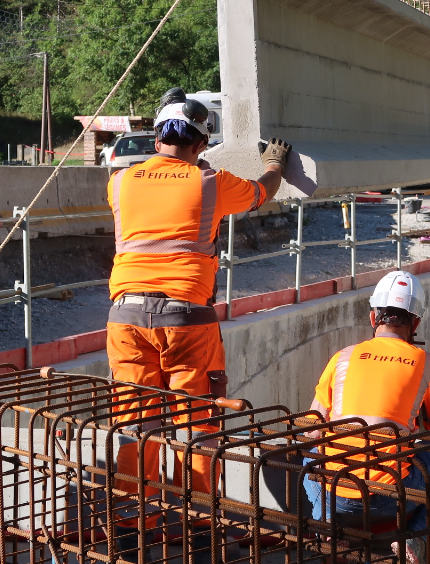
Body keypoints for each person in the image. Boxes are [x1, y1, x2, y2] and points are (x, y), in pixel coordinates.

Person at [106, 86, 291, 563]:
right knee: (195, 424)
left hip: (125, 316)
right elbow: (260, 194)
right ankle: (203, 527)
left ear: (156, 136)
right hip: (186, 317)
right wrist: (273, 164)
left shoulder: (120, 182)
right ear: (202, 142)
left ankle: (130, 530)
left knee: (134, 420)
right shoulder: (210, 182)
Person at [305, 271, 430, 564]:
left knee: (309, 454)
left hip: (337, 493)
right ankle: (414, 534)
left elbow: (313, 428)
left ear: (373, 317)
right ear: (415, 322)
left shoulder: (343, 356)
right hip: (391, 497)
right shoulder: (427, 364)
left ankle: (324, 524)